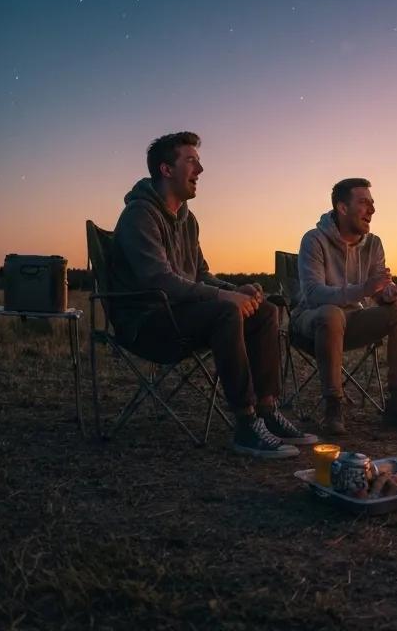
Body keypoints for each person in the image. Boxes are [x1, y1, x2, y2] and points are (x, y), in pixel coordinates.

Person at [111, 131, 316, 458]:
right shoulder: (140, 215)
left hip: (182, 316)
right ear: (166, 170)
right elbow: (159, 279)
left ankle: (267, 410)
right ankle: (246, 424)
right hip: (146, 323)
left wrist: (237, 291)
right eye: (191, 161)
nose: (201, 170)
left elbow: (200, 274)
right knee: (225, 312)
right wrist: (225, 301)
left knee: (264, 311)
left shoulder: (187, 220)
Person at [291, 178, 397, 436]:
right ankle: (333, 406)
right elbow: (313, 295)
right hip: (310, 322)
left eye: (373, 203)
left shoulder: (373, 244)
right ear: (342, 208)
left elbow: (376, 292)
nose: (372, 210)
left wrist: (388, 294)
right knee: (331, 314)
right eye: (364, 202)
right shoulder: (313, 240)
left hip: (352, 321)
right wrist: (364, 289)